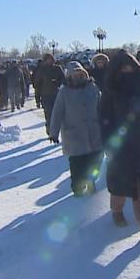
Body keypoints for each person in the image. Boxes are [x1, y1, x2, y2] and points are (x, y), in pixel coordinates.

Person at [98, 51, 140, 242]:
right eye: (123, 68)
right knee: (119, 183)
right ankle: (117, 210)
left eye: (130, 67)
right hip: (119, 144)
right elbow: (103, 120)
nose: (127, 71)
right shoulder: (110, 91)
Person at [49, 61, 103, 197]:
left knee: (96, 159)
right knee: (77, 164)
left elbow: (102, 106)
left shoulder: (93, 88)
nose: (78, 76)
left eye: (80, 73)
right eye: (74, 74)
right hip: (74, 135)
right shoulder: (64, 92)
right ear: (69, 76)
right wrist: (53, 132)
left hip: (94, 132)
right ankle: (78, 187)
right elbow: (57, 112)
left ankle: (91, 180)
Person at [34, 54, 66, 128]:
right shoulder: (41, 70)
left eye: (51, 59)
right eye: (48, 59)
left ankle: (57, 131)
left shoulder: (57, 69)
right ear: (45, 61)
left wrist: (57, 82)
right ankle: (50, 131)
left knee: (58, 114)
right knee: (49, 116)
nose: (50, 61)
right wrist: (37, 99)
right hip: (46, 96)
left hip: (57, 95)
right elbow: (37, 85)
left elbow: (64, 80)